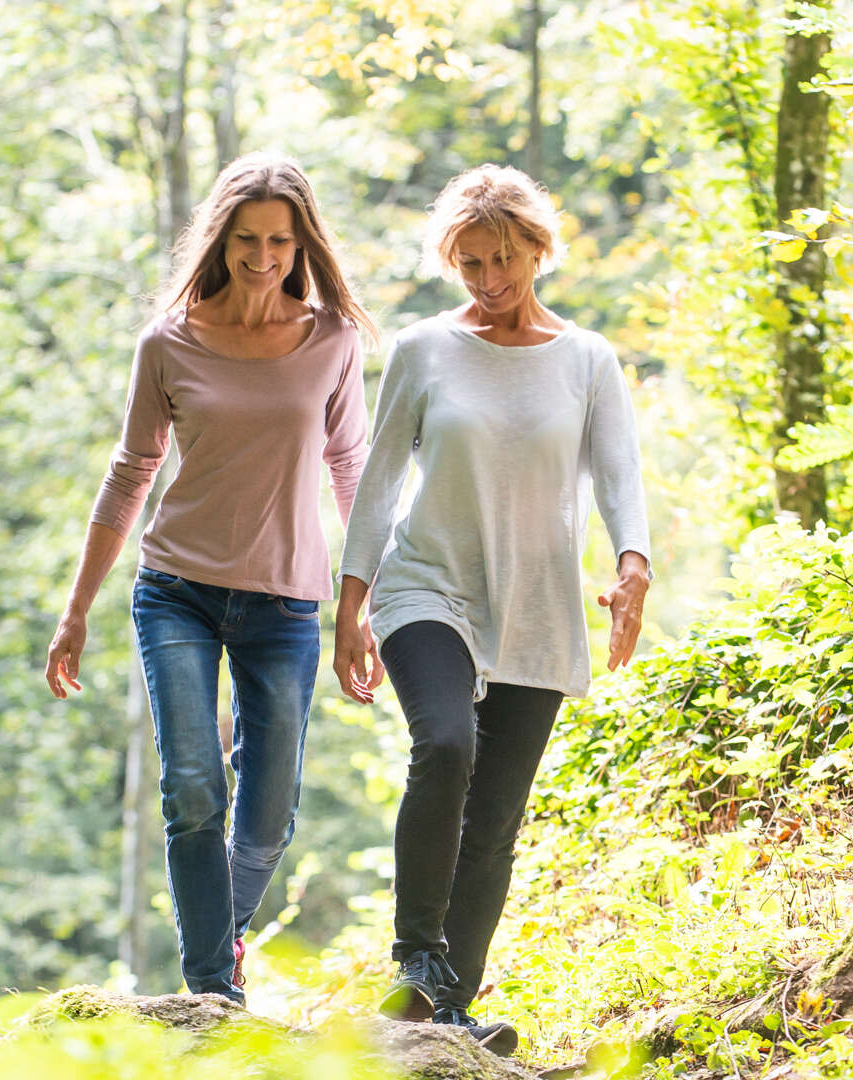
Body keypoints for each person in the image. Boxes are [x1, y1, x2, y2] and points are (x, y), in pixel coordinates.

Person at [332, 164, 651, 1054]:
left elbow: (621, 475)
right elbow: (380, 477)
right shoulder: (426, 349)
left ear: (538, 249)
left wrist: (634, 566)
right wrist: (351, 602)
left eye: (503, 258)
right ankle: (416, 956)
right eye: (469, 263)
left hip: (538, 604)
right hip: (425, 584)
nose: (488, 279)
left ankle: (449, 1008)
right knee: (444, 743)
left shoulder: (586, 360)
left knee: (497, 818)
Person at [44, 152, 375, 1004]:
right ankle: (209, 994)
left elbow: (352, 471)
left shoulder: (332, 340)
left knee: (269, 813)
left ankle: (214, 950)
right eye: (245, 239)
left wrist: (359, 607)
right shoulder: (169, 340)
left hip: (287, 601)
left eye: (278, 240)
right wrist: (75, 611)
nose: (262, 256)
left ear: (302, 243)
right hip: (177, 591)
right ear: (220, 240)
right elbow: (130, 474)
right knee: (193, 789)